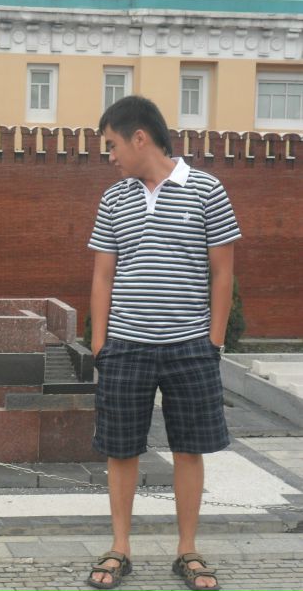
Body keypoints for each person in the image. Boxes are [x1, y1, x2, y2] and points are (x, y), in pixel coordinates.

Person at [86, 95, 241, 590]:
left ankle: (187, 550)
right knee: (121, 450)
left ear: (139, 137)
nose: (110, 156)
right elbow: (103, 275)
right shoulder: (114, 198)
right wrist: (100, 343)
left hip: (190, 346)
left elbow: (223, 272)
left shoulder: (207, 190)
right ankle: (120, 548)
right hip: (126, 345)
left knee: (189, 450)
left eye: (112, 145)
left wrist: (213, 341)